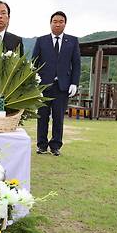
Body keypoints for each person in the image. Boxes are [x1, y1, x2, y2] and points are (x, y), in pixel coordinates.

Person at [32, 11, 81, 156]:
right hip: (43, 86)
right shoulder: (41, 40)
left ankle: (55, 145)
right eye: (55, 21)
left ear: (65, 23)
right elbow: (34, 62)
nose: (58, 23)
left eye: (61, 21)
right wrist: (33, 82)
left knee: (58, 117)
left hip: (62, 86)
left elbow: (76, 64)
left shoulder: (72, 41)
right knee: (42, 116)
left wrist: (74, 83)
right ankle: (41, 145)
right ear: (50, 23)